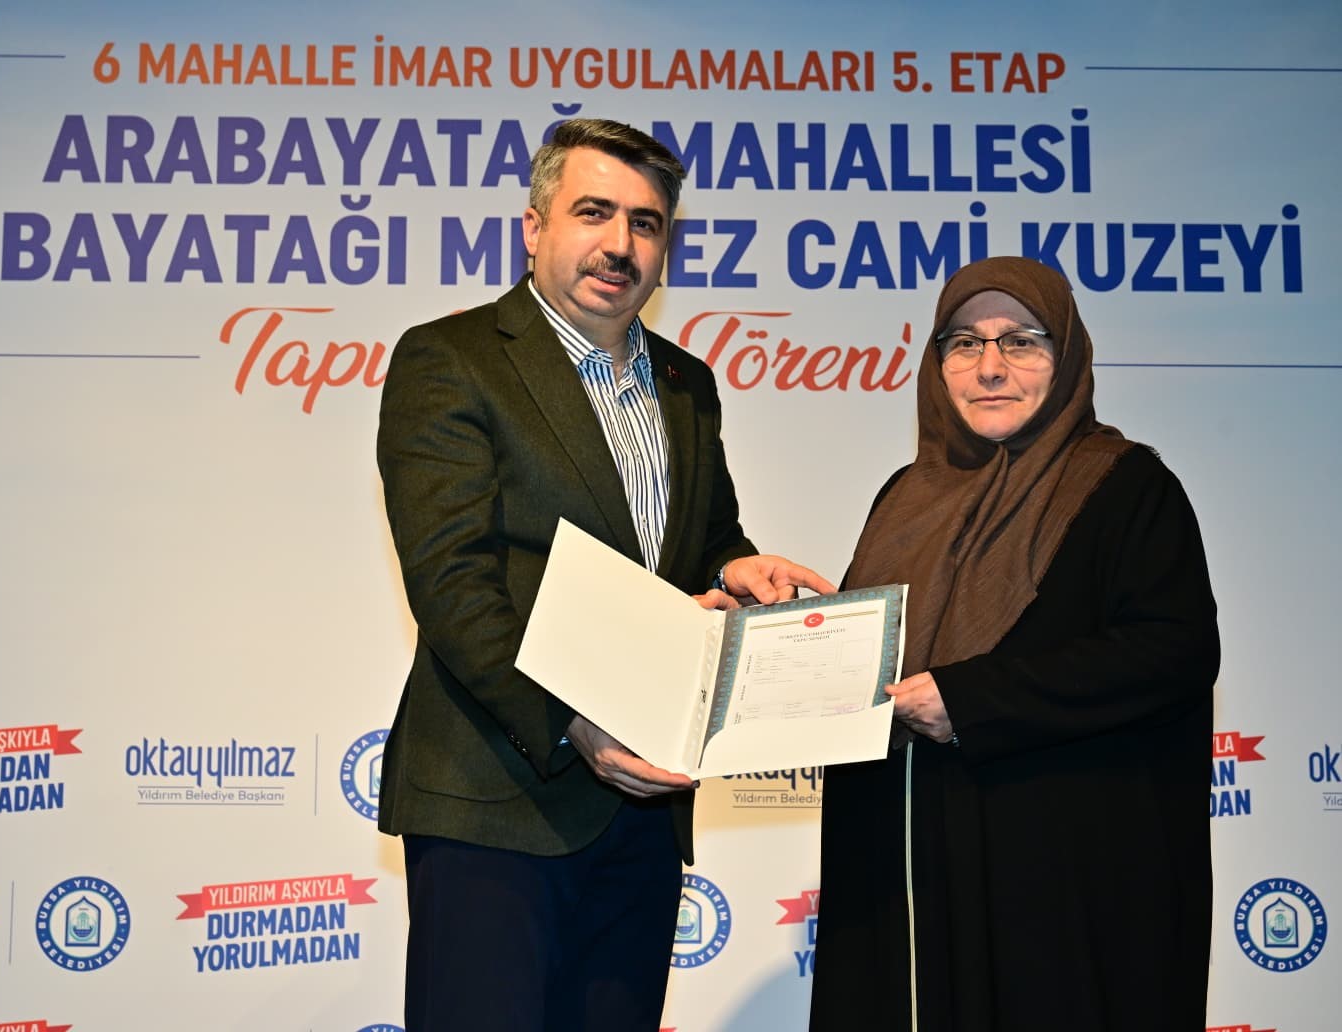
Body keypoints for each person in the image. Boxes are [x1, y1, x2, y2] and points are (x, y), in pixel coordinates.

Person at [376, 118, 831, 1032]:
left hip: (641, 813)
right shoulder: (451, 359)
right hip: (497, 798)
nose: (620, 243)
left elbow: (701, 541)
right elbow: (453, 582)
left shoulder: (687, 383)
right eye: (594, 212)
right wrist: (570, 722)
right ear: (534, 227)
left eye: (645, 223)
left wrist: (736, 566)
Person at [809, 256, 1219, 1032]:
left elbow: (1173, 649)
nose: (990, 367)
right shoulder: (905, 499)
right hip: (904, 879)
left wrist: (971, 701)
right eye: (964, 343)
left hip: (1059, 893)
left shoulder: (1126, 487)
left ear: (1066, 356)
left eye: (1021, 341)